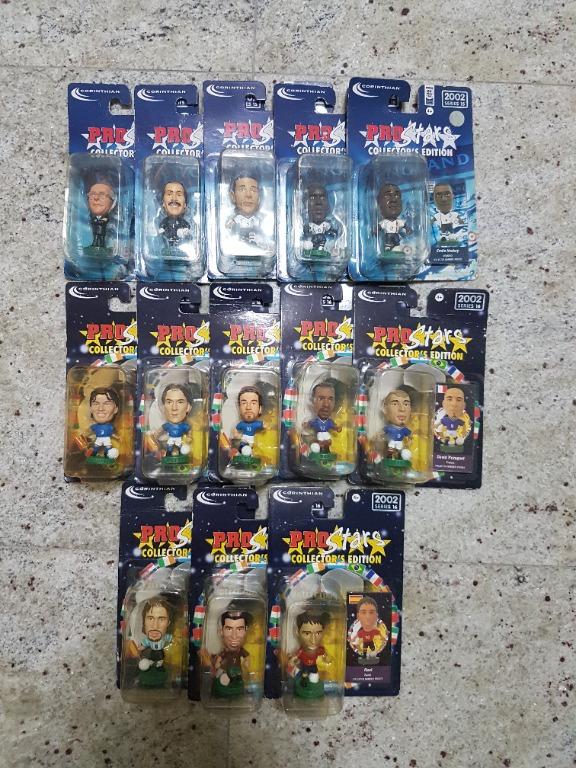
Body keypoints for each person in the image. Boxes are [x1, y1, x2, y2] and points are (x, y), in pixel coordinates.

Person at [213, 609, 251, 694]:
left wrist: (246, 663)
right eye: (229, 629)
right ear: (221, 631)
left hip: (237, 671)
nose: (234, 636)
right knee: (223, 680)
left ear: (246, 630)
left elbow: (247, 658)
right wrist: (217, 663)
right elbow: (219, 658)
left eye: (239, 629)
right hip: (226, 670)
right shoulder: (224, 651)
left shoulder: (241, 650)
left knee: (238, 681)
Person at [293, 610, 330, 693]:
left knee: (314, 678)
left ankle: (309, 681)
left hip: (313, 666)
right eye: (307, 633)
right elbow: (295, 657)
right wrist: (293, 661)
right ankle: (303, 680)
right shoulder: (301, 650)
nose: (313, 640)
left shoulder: (319, 649)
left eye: (318, 633)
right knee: (304, 675)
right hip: (304, 666)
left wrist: (326, 658)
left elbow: (324, 655)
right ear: (297, 632)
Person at [153, 383, 193, 457]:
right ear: (163, 407)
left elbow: (189, 431)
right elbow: (160, 430)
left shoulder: (184, 425)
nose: (174, 408)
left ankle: (180, 455)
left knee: (180, 447)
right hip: (170, 439)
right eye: (169, 402)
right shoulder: (167, 425)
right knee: (169, 447)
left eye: (180, 402)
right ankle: (168, 455)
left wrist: (189, 437)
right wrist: (156, 434)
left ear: (188, 407)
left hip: (179, 440)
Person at [301, 183, 339, 259]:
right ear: (305, 204)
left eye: (322, 198)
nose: (318, 202)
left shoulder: (334, 231)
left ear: (328, 204)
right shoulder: (302, 231)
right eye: (312, 198)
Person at [138, 596, 174, 672]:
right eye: (150, 618)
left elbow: (173, 641)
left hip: (161, 655)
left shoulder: (166, 638)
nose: (155, 626)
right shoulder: (147, 641)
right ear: (143, 621)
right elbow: (143, 645)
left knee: (160, 663)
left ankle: (159, 666)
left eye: (161, 619)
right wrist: (140, 648)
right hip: (151, 655)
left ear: (168, 623)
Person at [305, 381, 342, 455]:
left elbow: (334, 426)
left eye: (330, 399)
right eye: (321, 398)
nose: (326, 404)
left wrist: (337, 428)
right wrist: (306, 425)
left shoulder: (330, 422)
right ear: (313, 401)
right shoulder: (315, 421)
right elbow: (309, 424)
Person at [226, 173, 263, 245]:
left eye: (253, 190)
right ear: (233, 196)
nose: (248, 195)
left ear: (259, 197)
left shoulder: (261, 223)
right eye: (242, 190)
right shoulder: (230, 224)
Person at [231, 386, 265, 458]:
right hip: (244, 440)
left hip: (252, 441)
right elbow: (235, 430)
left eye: (253, 403)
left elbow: (263, 425)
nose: (248, 407)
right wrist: (236, 435)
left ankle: (250, 455)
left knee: (251, 449)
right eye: (244, 403)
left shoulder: (256, 424)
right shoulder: (241, 424)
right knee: (243, 448)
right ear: (239, 408)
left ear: (260, 409)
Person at [87, 387, 120, 460]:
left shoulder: (111, 427)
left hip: (107, 439)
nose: (101, 408)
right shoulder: (94, 426)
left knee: (108, 447)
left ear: (115, 409)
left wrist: (118, 437)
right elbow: (88, 433)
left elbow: (115, 434)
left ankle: (107, 455)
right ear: (90, 409)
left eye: (107, 404)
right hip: (98, 439)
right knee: (95, 447)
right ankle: (93, 454)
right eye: (96, 404)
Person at [376, 182, 410, 252]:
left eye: (397, 195)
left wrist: (408, 229)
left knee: (397, 241)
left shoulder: (398, 221)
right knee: (388, 241)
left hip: (395, 234)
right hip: (388, 234)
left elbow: (404, 225)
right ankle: (387, 249)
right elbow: (379, 227)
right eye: (388, 195)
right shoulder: (385, 222)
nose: (393, 200)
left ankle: (397, 248)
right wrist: (375, 231)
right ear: (379, 202)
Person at [380, 389, 412, 461]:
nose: (402, 409)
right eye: (395, 404)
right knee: (391, 449)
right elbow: (381, 434)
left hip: (400, 444)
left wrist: (409, 443)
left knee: (400, 450)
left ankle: (399, 457)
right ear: (385, 408)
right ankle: (390, 457)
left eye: (406, 404)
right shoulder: (389, 428)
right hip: (391, 443)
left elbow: (410, 437)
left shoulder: (405, 430)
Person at [158, 181, 192, 247]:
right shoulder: (164, 222)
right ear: (163, 203)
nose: (174, 198)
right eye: (169, 194)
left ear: (185, 204)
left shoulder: (183, 223)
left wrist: (185, 231)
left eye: (179, 195)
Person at [86, 181, 116, 249]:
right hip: (95, 231)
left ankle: (102, 245)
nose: (96, 198)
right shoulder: (93, 217)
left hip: (102, 231)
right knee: (95, 238)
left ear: (112, 202)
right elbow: (93, 221)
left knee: (101, 239)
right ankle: (94, 244)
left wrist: (101, 221)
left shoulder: (106, 218)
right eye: (92, 194)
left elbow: (105, 221)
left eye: (102, 195)